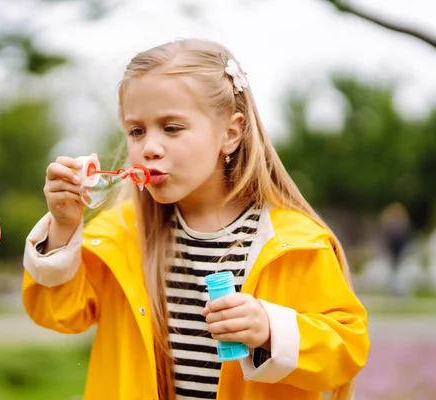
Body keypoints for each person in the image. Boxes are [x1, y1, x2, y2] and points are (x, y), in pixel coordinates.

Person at [21, 39, 369, 400]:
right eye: (137, 130)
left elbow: (346, 349)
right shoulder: (121, 236)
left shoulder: (293, 243)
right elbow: (58, 313)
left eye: (171, 128)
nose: (149, 147)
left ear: (230, 133)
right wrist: (63, 226)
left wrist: (269, 328)